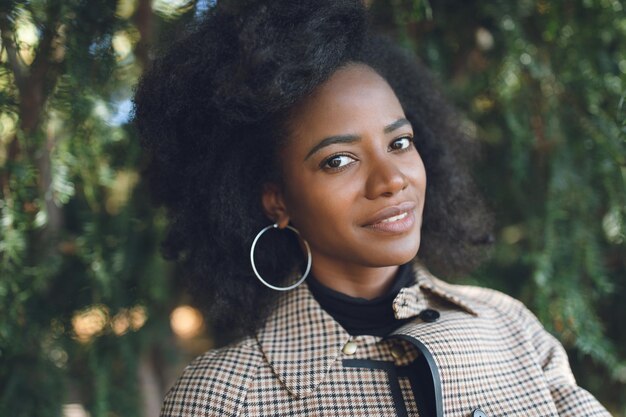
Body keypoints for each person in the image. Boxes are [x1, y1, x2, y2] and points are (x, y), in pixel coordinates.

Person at [133, 1, 612, 416]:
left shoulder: (510, 327)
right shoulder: (225, 397)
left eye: (399, 142)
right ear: (276, 199)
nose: (391, 180)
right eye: (338, 160)